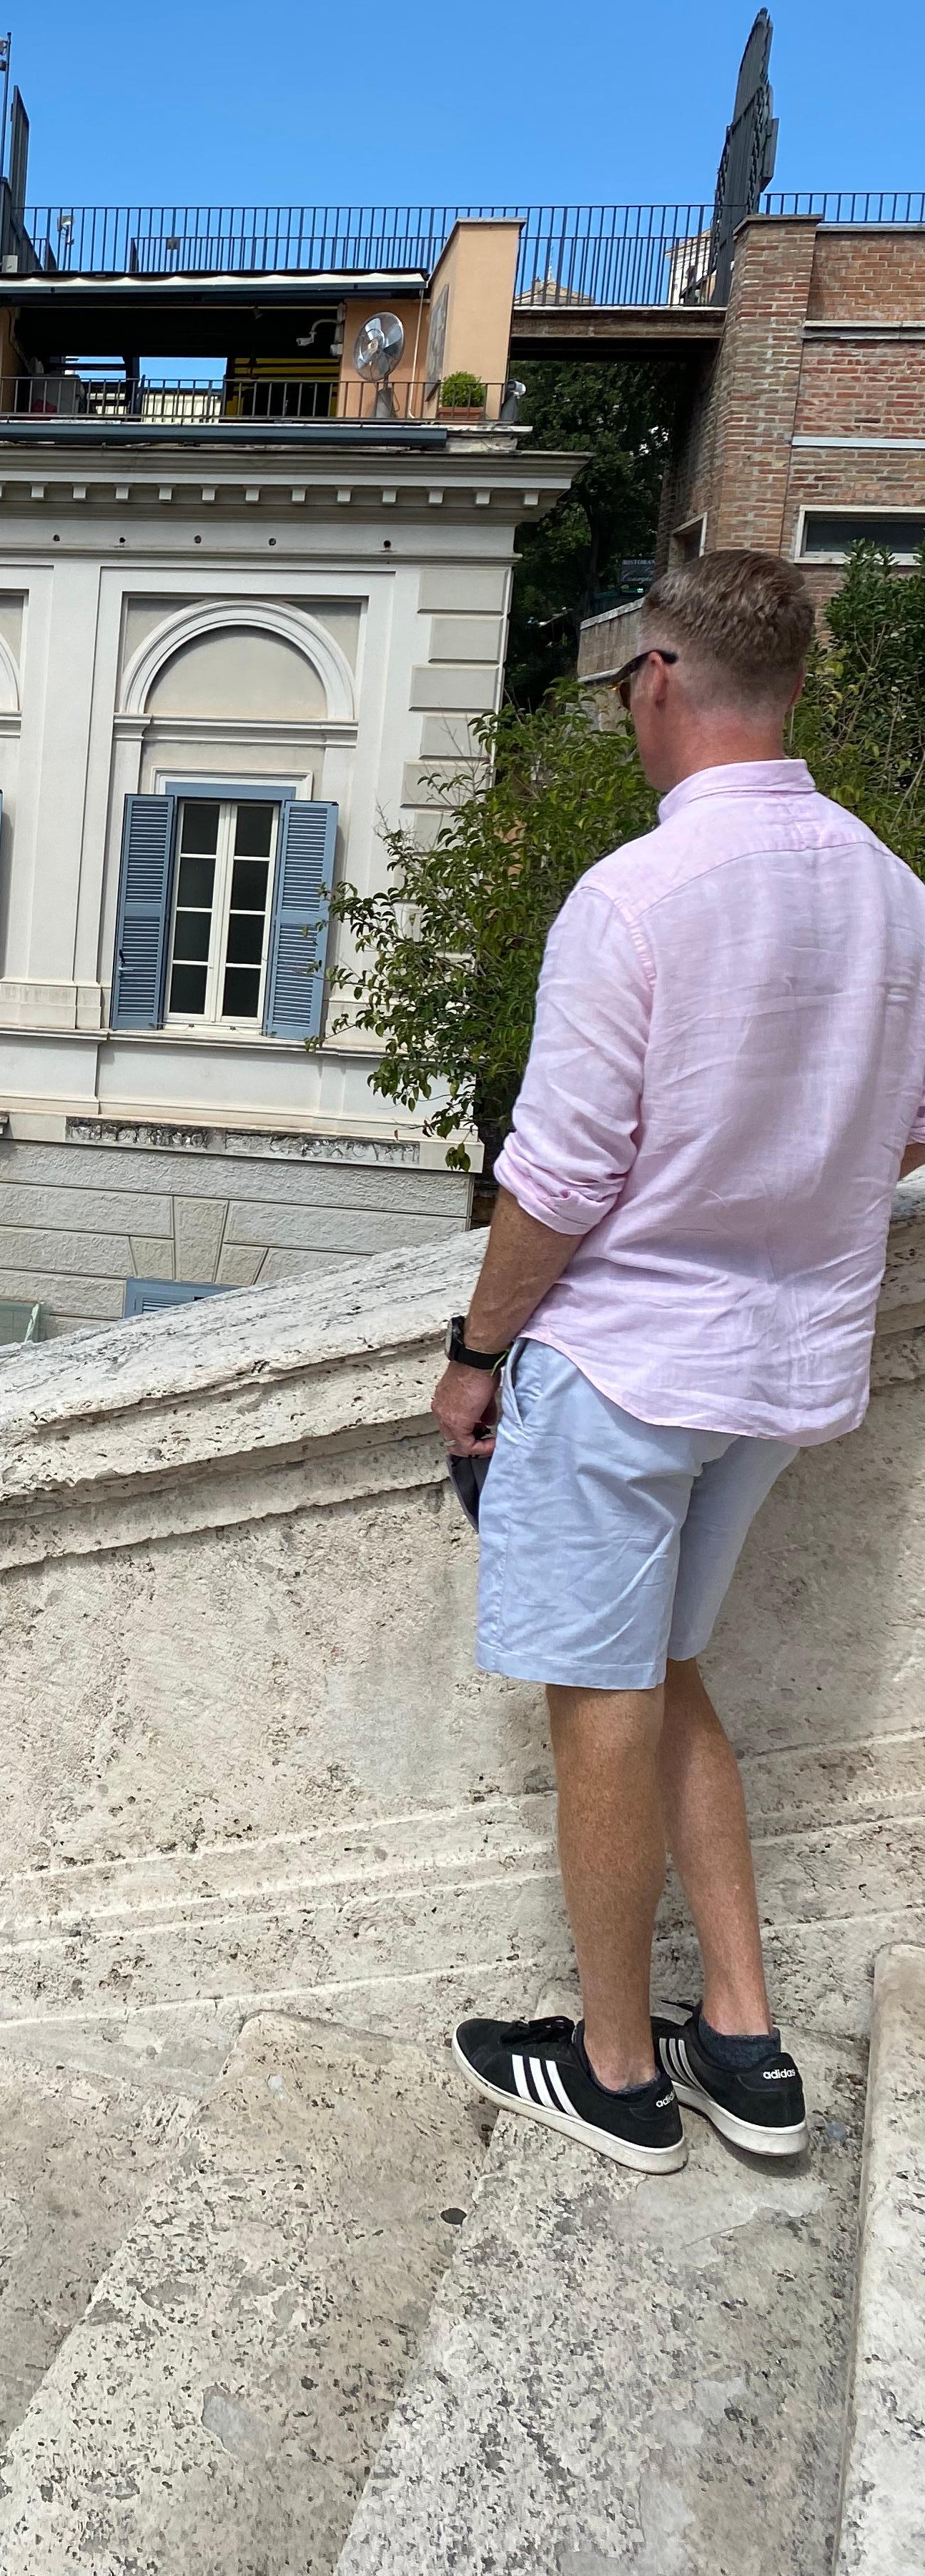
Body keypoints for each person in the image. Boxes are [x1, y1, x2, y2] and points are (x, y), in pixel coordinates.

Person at [435, 549, 925, 2174]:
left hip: (633, 1364)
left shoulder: (634, 899)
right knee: (670, 1666)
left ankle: (619, 2074)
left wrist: (472, 1354)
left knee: (602, 1699)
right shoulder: (892, 892)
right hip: (785, 1374)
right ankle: (745, 2034)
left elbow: (559, 1180)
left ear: (657, 681)